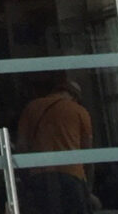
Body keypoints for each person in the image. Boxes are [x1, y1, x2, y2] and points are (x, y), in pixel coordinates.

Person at [16, 76, 93, 214]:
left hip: (40, 175)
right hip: (72, 175)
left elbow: (22, 146)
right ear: (75, 97)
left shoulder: (31, 107)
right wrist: (88, 188)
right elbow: (88, 153)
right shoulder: (79, 111)